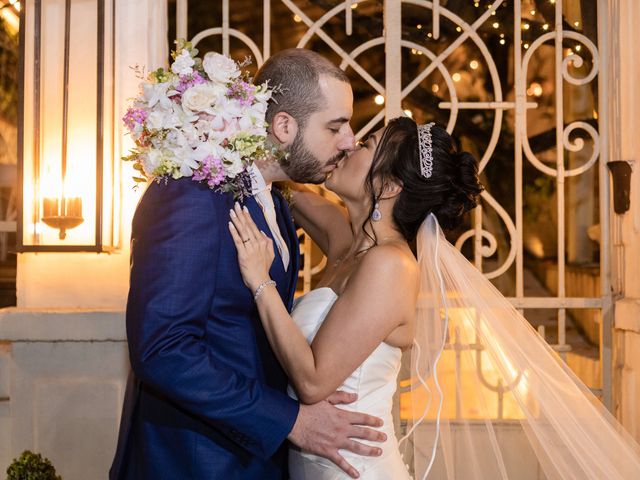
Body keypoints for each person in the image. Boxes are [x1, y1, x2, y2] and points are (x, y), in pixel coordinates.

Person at [229, 118, 640, 479]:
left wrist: (260, 282)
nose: (349, 145)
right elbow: (277, 184)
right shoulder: (345, 240)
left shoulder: (391, 265)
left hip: (358, 471)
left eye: (366, 145)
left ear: (388, 186)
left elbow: (314, 380)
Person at [109, 48, 386, 480]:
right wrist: (292, 421)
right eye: (335, 126)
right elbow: (163, 348)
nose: (350, 140)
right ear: (283, 126)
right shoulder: (191, 196)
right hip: (195, 461)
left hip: (258, 459)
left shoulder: (276, 200)